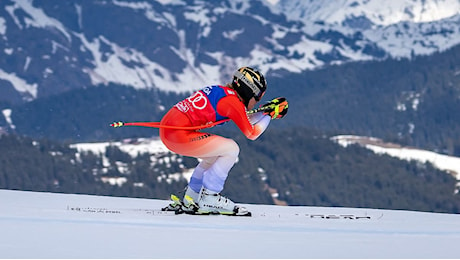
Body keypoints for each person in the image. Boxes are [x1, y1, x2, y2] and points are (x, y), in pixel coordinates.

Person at [159, 67, 287, 215]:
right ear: (248, 90)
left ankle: (191, 197)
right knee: (231, 149)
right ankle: (210, 197)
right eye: (258, 95)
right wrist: (270, 114)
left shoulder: (223, 92)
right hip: (177, 135)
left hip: (170, 131)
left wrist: (265, 111)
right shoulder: (233, 102)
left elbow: (245, 118)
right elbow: (252, 133)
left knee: (215, 156)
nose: (257, 100)